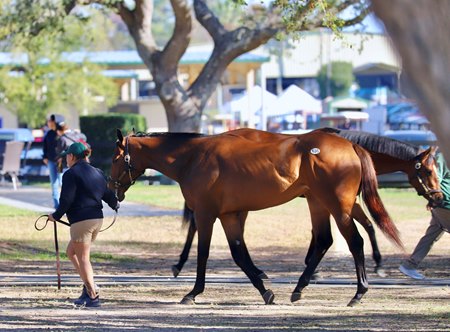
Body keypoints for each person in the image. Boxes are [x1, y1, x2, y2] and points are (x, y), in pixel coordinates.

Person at [48, 142, 119, 307]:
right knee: (71, 252)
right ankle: (88, 288)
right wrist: (115, 203)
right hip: (96, 220)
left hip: (81, 221)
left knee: (83, 258)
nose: (66, 159)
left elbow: (66, 200)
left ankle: (93, 295)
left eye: (67, 155)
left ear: (72, 156)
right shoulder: (98, 172)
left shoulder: (70, 174)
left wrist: (56, 216)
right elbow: (108, 194)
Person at [399, 151, 450, 279]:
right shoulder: (443, 156)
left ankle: (409, 265)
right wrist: (435, 200)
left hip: (442, 205)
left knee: (432, 235)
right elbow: (435, 179)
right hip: (446, 204)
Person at [42, 114, 64, 208]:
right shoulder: (48, 134)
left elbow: (64, 146)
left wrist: (62, 157)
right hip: (51, 161)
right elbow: (45, 146)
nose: (49, 123)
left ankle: (65, 204)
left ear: (55, 122)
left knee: (61, 182)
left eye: (50, 121)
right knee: (54, 184)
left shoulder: (61, 134)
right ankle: (57, 206)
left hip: (59, 162)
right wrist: (45, 157)